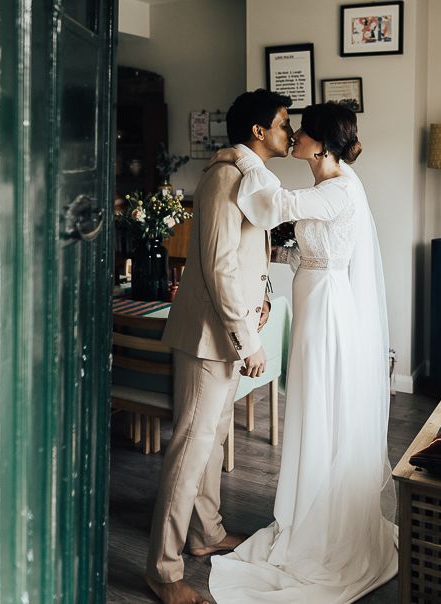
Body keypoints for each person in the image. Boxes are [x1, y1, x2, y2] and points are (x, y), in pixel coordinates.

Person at [206, 102, 398, 603]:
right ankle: (308, 505)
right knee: (312, 406)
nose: (293, 139)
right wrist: (279, 261)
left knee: (322, 407)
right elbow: (310, 249)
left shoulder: (337, 188)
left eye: (302, 133)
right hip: (314, 301)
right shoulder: (327, 187)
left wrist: (244, 158)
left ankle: (322, 523)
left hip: (329, 313)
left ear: (322, 144)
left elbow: (276, 205)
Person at [145, 88, 294, 604]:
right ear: (257, 130)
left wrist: (267, 296)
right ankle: (162, 571)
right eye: (281, 123)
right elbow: (219, 267)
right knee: (190, 448)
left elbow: (251, 255)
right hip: (209, 337)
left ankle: (205, 533)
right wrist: (248, 339)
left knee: (212, 439)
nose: (288, 131)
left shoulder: (249, 176)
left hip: (224, 334)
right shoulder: (225, 177)